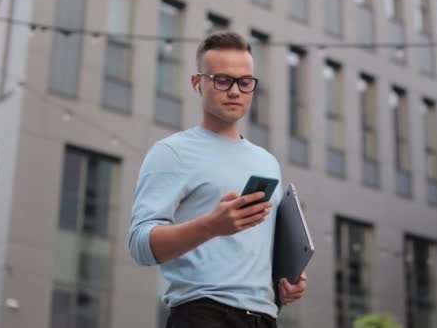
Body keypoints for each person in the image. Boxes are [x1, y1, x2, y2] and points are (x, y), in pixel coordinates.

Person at [129, 31, 307, 328]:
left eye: (245, 82)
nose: (235, 91)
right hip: (203, 315)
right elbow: (139, 246)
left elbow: (254, 254)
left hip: (264, 318)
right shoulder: (171, 152)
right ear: (197, 83)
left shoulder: (267, 162)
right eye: (222, 80)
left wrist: (286, 281)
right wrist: (211, 226)